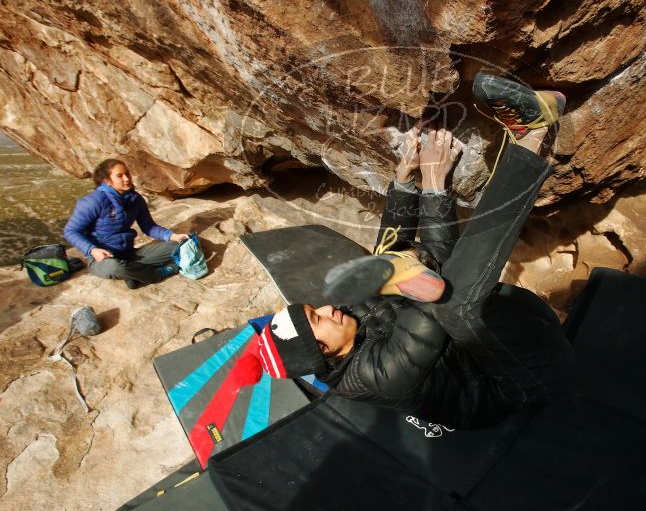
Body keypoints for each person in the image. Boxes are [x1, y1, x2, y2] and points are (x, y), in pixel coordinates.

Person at [253, 73, 574, 429]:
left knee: (402, 273)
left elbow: (387, 254)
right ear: (324, 352)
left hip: (511, 322)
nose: (328, 309)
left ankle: (528, 132)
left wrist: (404, 181)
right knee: (454, 305)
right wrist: (435, 185)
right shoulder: (379, 377)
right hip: (528, 379)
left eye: (315, 310)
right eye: (318, 320)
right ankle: (533, 135)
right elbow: (437, 293)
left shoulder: (346, 321)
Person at [63, 158, 188, 289]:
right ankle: (155, 273)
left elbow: (149, 227)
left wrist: (172, 236)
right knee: (115, 267)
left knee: (182, 245)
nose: (127, 179)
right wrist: (92, 250)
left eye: (127, 173)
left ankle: (134, 275)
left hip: (130, 254)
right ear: (107, 181)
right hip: (103, 259)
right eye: (120, 176)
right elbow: (70, 231)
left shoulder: (135, 199)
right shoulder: (93, 201)